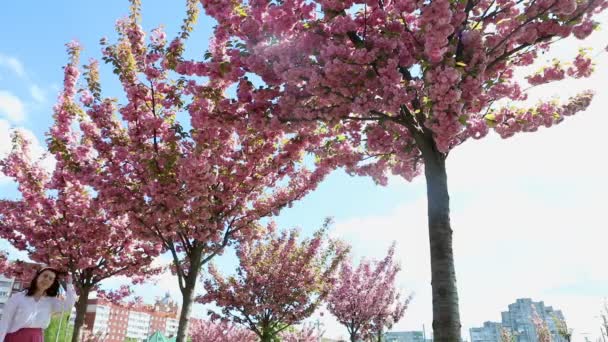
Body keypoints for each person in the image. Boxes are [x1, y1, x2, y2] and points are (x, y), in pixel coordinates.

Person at [0, 267, 76, 342]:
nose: (47, 279)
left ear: (52, 284)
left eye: (51, 279)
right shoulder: (18, 297)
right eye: (45, 276)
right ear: (37, 277)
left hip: (37, 339)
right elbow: (5, 322)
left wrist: (69, 284)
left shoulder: (51, 301)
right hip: (15, 338)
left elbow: (68, 305)